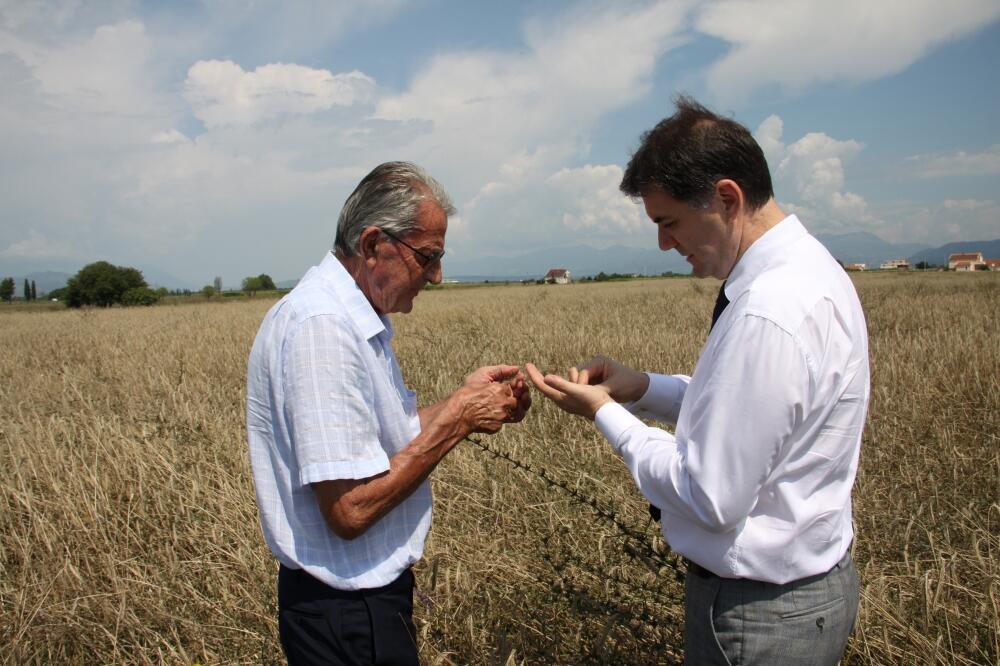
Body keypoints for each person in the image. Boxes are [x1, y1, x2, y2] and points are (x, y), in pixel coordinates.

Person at [526, 97, 868, 665]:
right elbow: (747, 422)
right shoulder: (810, 272)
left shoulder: (768, 312)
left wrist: (606, 415)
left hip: (757, 615)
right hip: (803, 594)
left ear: (727, 199)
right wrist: (639, 388)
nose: (665, 244)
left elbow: (711, 496)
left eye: (669, 222)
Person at [247, 161, 531, 665]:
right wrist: (459, 420)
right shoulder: (324, 329)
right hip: (349, 614)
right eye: (428, 257)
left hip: (352, 610)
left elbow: (374, 448)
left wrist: (461, 400)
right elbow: (350, 509)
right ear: (376, 244)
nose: (437, 276)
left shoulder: (345, 317)